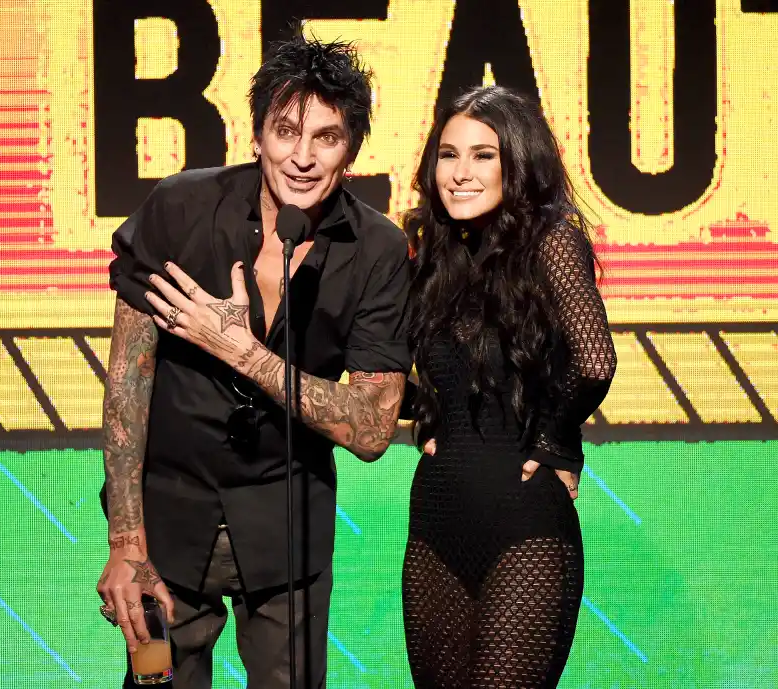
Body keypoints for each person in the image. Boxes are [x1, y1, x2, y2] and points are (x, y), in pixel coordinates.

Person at [96, 33, 411, 689]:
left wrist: (241, 349)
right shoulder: (179, 209)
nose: (301, 157)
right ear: (257, 134)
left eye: (325, 137)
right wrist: (126, 543)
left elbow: (373, 428)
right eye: (286, 131)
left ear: (351, 149)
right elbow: (127, 385)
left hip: (286, 537)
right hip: (165, 532)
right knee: (155, 683)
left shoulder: (377, 249)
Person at [399, 85, 617, 687]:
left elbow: (595, 360)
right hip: (435, 526)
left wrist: (553, 437)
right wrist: (428, 415)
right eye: (448, 155)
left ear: (517, 164)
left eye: (482, 155)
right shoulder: (433, 253)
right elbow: (402, 373)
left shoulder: (551, 238)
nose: (461, 173)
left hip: (525, 531)